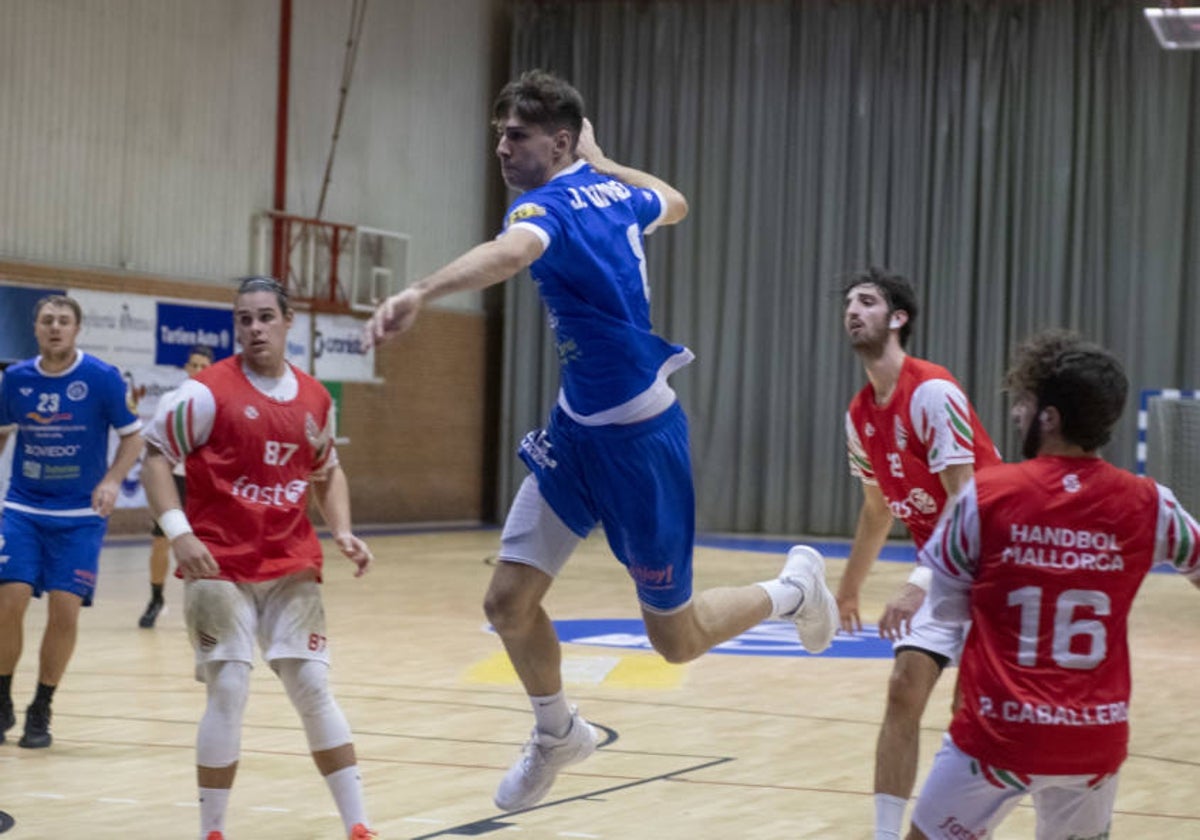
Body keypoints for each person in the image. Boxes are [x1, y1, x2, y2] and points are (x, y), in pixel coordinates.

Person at [365, 68, 839, 812]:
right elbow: (676, 202)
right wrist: (605, 159)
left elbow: (514, 253)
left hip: (641, 444)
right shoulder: (617, 194)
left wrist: (421, 292)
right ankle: (558, 733)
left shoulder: (546, 209)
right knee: (507, 602)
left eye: (516, 136)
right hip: (575, 431)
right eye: (498, 135)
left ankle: (792, 590)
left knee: (675, 640)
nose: (501, 148)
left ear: (557, 142)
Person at [907, 331, 1200, 839]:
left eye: (1024, 402)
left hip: (999, 736)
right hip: (1094, 743)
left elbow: (949, 615)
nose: (1016, 413)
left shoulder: (988, 495)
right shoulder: (1151, 504)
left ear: (1050, 417)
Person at [141, 277, 376, 840]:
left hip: (291, 565)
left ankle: (360, 825)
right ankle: (213, 831)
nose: (254, 328)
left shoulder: (316, 398)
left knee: (314, 689)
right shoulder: (204, 393)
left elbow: (328, 470)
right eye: (243, 319)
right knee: (229, 688)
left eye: (265, 317)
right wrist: (178, 532)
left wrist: (342, 529)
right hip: (217, 565)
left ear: (288, 321)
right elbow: (154, 457)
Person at [832, 268, 1003, 840]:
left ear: (897, 319)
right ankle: (885, 834)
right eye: (849, 303)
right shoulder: (860, 415)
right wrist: (850, 585)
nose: (853, 310)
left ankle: (958, 827)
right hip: (948, 565)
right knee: (904, 687)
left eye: (869, 302)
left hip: (999, 562)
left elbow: (967, 504)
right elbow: (878, 509)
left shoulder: (932, 391)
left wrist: (918, 583)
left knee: (969, 714)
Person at [0, 294, 143, 749]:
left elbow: (133, 438)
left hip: (80, 516)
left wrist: (112, 480)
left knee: (64, 610)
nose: (55, 327)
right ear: (36, 329)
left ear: (77, 329)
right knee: (10, 601)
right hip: (22, 508)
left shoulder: (100, 378)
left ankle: (41, 707)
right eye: (47, 321)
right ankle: (1, 699)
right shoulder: (16, 379)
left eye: (64, 321)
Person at [138, 344, 214, 628]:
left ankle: (206, 602)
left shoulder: (217, 401)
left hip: (203, 482)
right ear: (186, 367)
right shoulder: (171, 399)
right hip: (174, 480)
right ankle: (156, 598)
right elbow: (157, 446)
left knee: (206, 543)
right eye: (193, 365)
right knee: (161, 541)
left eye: (203, 366)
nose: (197, 370)